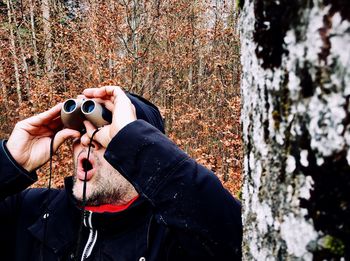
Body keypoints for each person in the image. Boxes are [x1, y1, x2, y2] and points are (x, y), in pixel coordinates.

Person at [0, 86, 242, 261]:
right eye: (78, 127)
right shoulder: (29, 211)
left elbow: (238, 239)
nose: (87, 140)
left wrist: (132, 140)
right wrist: (9, 161)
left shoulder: (174, 236)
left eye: (106, 132)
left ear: (139, 152)